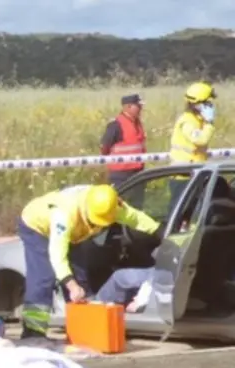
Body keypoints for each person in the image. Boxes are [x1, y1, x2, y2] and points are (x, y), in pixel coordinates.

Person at [16, 184, 160, 338]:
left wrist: (162, 233)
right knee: (43, 279)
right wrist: (71, 285)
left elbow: (137, 219)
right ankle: (34, 332)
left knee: (80, 282)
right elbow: (57, 256)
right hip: (37, 227)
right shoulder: (64, 215)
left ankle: (83, 331)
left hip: (74, 233)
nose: (97, 226)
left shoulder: (110, 206)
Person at [169, 82, 218, 213]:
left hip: (195, 172)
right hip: (183, 175)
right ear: (198, 104)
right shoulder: (188, 121)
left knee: (196, 212)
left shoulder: (198, 119)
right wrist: (209, 123)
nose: (211, 106)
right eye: (207, 103)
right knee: (179, 212)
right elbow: (200, 140)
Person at [100, 93, 147, 207]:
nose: (141, 109)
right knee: (119, 207)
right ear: (128, 107)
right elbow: (104, 147)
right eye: (138, 106)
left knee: (137, 207)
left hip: (138, 173)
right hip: (121, 175)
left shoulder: (137, 123)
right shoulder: (116, 125)